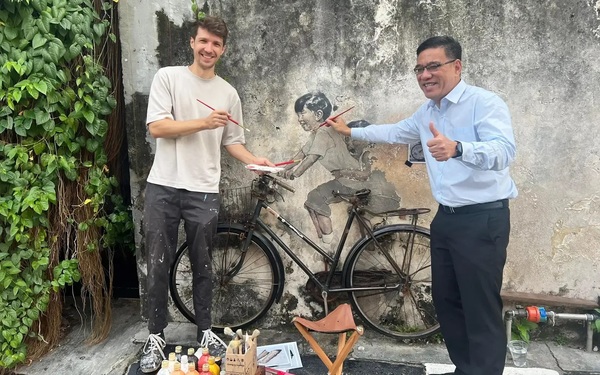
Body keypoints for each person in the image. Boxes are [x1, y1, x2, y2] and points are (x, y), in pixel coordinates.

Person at [328, 36, 517, 375]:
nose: (425, 75)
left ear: (456, 67)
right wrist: (348, 132)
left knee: (480, 307)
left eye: (434, 66)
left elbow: (504, 152)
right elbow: (394, 132)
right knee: (447, 304)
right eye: (420, 69)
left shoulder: (484, 103)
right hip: (447, 219)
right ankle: (466, 369)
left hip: (483, 218)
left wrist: (458, 148)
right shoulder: (428, 111)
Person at [140, 16, 273, 373]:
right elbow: (157, 127)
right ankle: (155, 335)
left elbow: (233, 141)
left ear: (223, 50)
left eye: (215, 44)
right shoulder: (168, 77)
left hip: (203, 189)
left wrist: (254, 160)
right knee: (157, 264)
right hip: (164, 186)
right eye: (203, 41)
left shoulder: (228, 92)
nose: (208, 49)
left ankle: (205, 332)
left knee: (204, 265)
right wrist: (203, 121)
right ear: (192, 42)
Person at [281, 92, 400, 245]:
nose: (299, 119)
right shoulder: (317, 134)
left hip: (350, 183)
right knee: (313, 199)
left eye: (303, 113)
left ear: (318, 114)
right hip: (343, 182)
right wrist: (282, 168)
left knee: (316, 198)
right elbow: (301, 154)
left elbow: (311, 158)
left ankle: (329, 246)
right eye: (298, 114)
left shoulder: (324, 132)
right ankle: (326, 243)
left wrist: (294, 174)